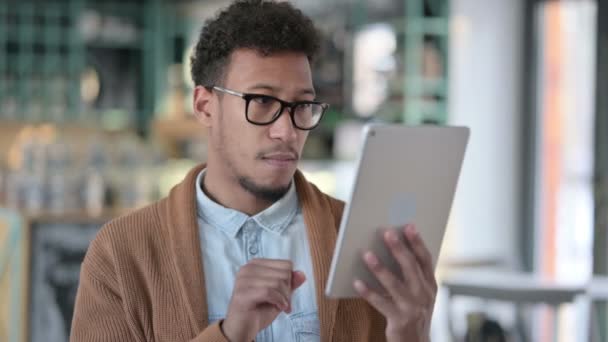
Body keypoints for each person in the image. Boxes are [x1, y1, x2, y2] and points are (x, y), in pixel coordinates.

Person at [70, 1, 437, 341]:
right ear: (204, 106)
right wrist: (229, 334)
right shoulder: (121, 253)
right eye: (262, 101)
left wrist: (411, 333)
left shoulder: (361, 243)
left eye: (303, 106)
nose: (288, 130)